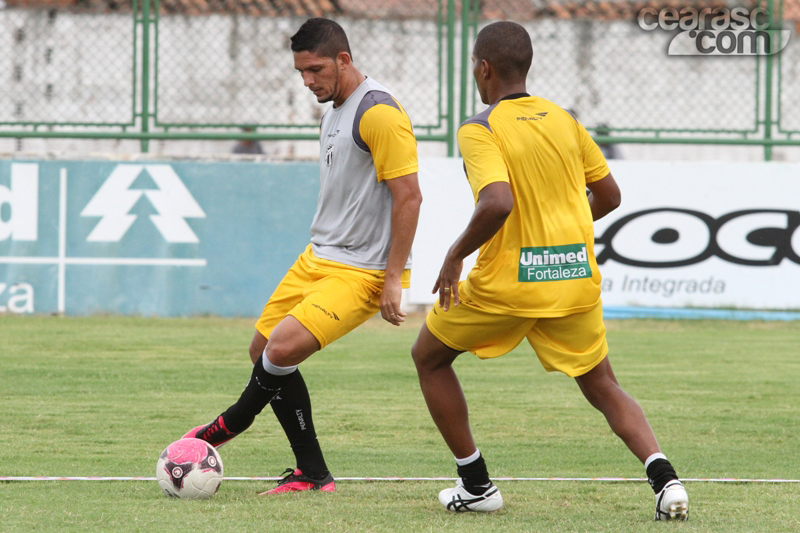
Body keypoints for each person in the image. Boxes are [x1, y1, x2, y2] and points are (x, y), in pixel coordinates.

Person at [410, 21, 688, 520]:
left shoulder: (480, 128)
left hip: (508, 286)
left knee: (429, 357)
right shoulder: (564, 119)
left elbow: (497, 202)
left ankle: (476, 484)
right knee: (603, 383)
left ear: (484, 67)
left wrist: (454, 255)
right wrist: (564, 229)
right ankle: (664, 479)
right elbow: (609, 197)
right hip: (573, 278)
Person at [184, 17, 421, 494]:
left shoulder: (378, 112)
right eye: (301, 73)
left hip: (362, 270)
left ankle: (229, 423)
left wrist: (393, 277)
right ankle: (312, 473)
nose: (308, 81)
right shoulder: (333, 109)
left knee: (281, 350)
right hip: (318, 257)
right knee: (263, 351)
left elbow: (410, 197)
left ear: (344, 60)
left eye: (315, 70)